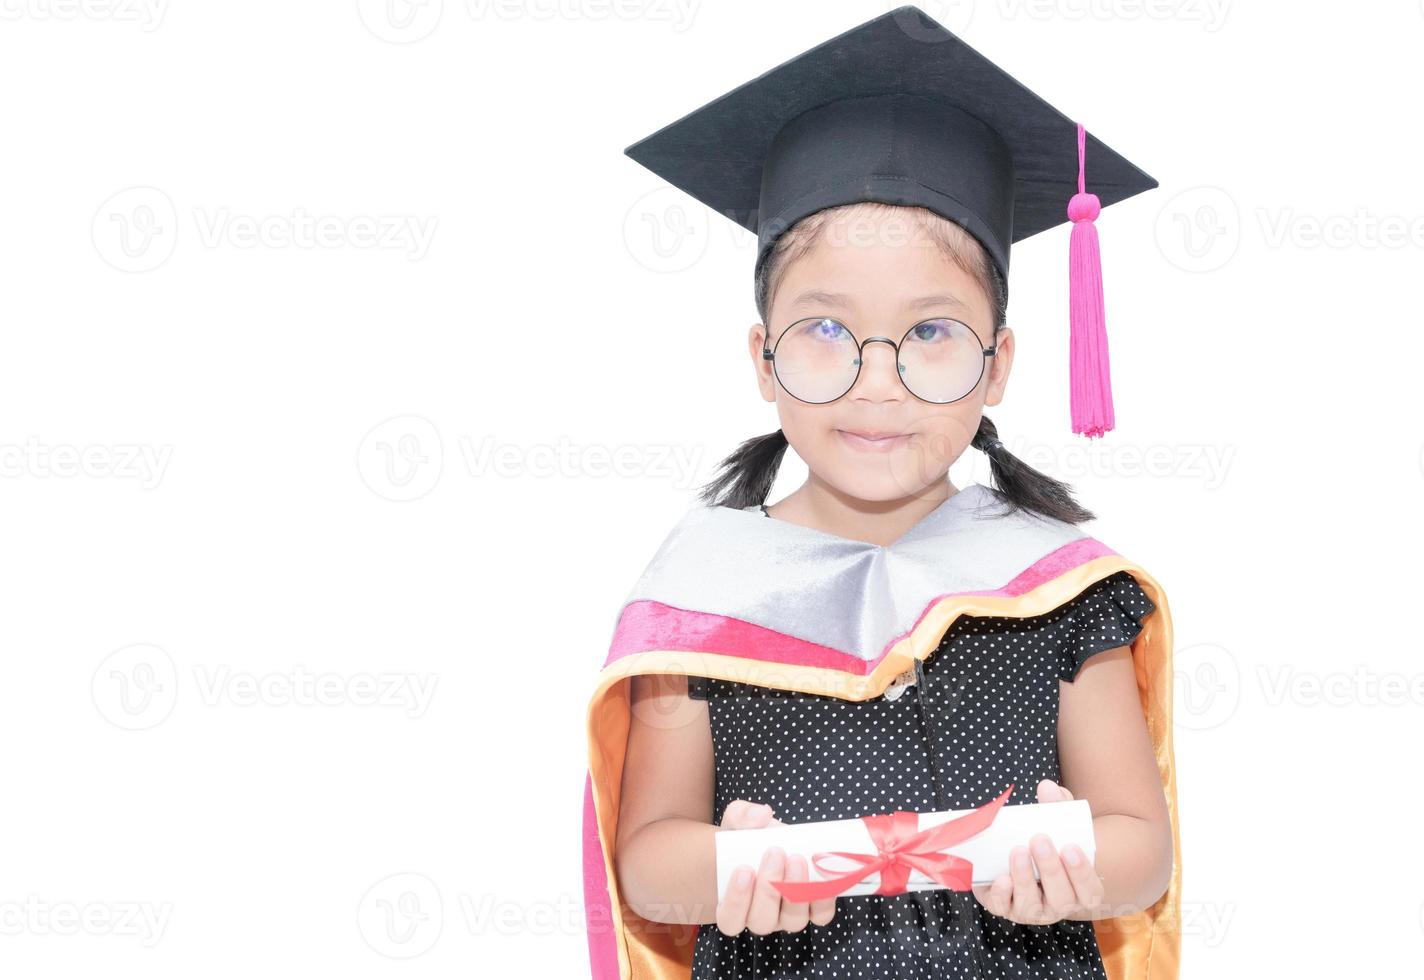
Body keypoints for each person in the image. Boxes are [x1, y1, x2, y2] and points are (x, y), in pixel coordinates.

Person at [584, 7, 1181, 979]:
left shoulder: (1055, 589)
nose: (876, 380)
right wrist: (735, 864)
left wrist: (1070, 857)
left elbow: (1137, 843)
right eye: (823, 331)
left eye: (931, 333)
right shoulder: (706, 590)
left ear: (997, 365)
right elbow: (650, 858)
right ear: (761, 358)